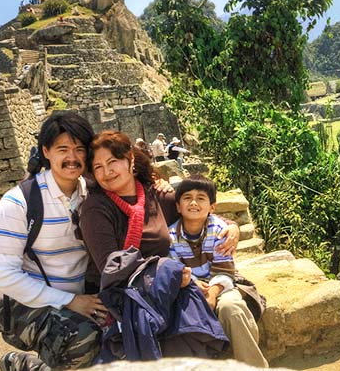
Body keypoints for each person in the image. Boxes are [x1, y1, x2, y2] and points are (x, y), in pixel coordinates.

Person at [79, 131, 240, 358]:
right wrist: (169, 273)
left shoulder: (156, 195)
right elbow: (110, 267)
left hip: (169, 287)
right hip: (126, 295)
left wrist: (231, 226)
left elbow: (195, 213)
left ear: (130, 160)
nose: (107, 172)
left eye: (113, 162)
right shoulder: (96, 209)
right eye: (98, 167)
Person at [0, 112, 106, 371]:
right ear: (46, 151)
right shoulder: (20, 202)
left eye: (79, 149)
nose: (72, 158)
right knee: (82, 339)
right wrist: (69, 301)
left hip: (84, 295)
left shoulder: (93, 193)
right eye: (62, 149)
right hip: (26, 305)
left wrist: (160, 186)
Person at [169, 176, 268, 368]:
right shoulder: (171, 236)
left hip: (222, 284)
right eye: (187, 198)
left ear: (212, 207)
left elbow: (224, 269)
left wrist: (213, 293)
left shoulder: (220, 230)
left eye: (201, 198)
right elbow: (177, 269)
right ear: (178, 207)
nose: (194, 203)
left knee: (232, 308)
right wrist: (194, 285)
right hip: (189, 288)